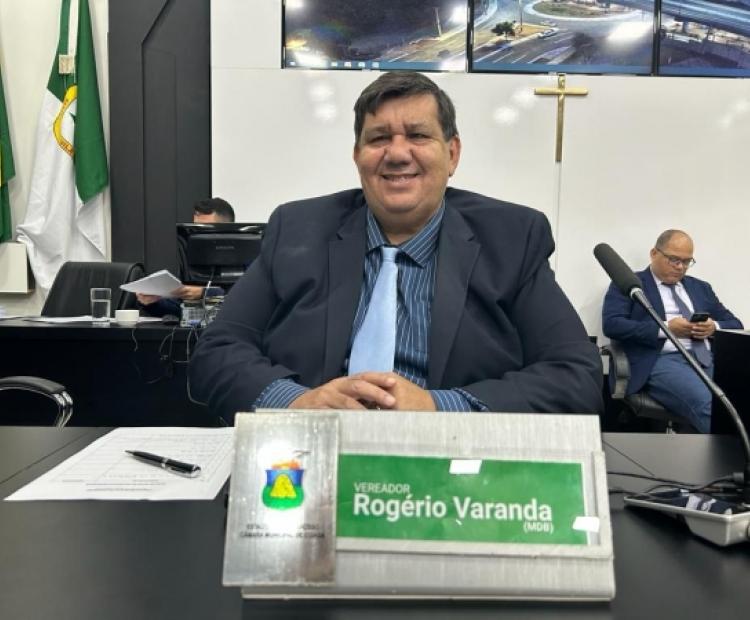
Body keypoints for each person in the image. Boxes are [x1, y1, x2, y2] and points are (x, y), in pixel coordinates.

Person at [189, 71, 602, 423]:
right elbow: (217, 351)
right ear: (358, 155)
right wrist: (299, 402)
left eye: (418, 135)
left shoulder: (512, 237)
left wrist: (439, 407)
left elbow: (575, 376)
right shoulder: (296, 229)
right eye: (379, 138)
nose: (398, 153)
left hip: (453, 465)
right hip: (310, 455)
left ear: (452, 153)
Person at [602, 230, 742, 433]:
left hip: (706, 358)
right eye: (674, 259)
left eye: (686, 262)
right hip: (661, 359)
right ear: (654, 253)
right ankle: (735, 451)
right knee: (709, 405)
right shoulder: (629, 284)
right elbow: (613, 325)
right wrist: (666, 328)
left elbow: (735, 323)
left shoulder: (700, 288)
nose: (680, 267)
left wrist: (713, 327)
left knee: (741, 399)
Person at [137, 197, 235, 317]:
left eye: (205, 229)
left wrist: (204, 293)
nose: (198, 235)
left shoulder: (246, 259)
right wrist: (152, 302)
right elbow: (180, 308)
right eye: (196, 229)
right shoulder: (192, 258)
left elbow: (241, 298)